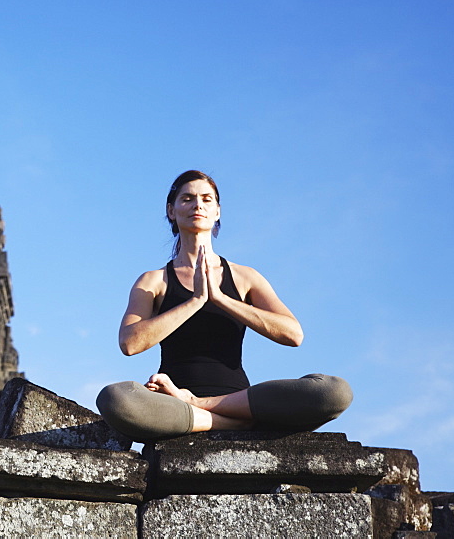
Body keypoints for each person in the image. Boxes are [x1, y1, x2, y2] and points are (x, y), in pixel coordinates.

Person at [96, 170, 352, 442]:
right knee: (116, 399)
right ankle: (231, 423)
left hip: (240, 400)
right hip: (172, 404)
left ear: (217, 211)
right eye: (187, 199)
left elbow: (293, 334)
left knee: (334, 392)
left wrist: (221, 298)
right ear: (171, 211)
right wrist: (195, 301)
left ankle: (205, 409)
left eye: (207, 199)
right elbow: (130, 343)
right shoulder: (153, 281)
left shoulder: (245, 277)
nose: (198, 205)